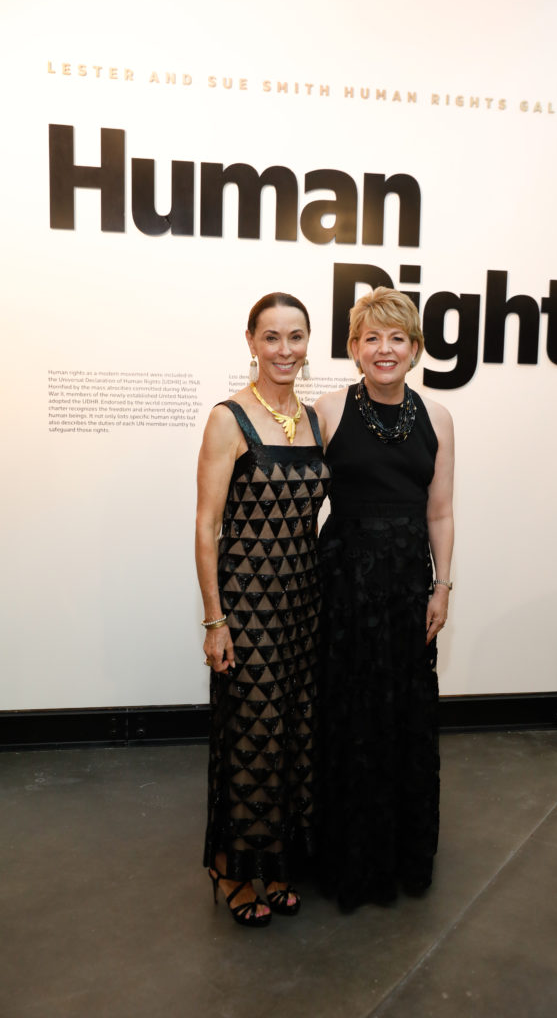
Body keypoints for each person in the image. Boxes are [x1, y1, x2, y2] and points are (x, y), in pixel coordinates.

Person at [314, 286, 455, 910]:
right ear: (353, 348)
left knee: (401, 712)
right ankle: (348, 854)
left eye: (397, 337)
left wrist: (442, 585)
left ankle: (399, 851)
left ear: (416, 348)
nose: (384, 349)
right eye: (371, 337)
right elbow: (298, 502)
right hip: (343, 583)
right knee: (346, 713)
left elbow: (442, 512)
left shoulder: (439, 417)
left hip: (405, 587)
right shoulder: (328, 410)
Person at [195, 292, 330, 927]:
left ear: (309, 343)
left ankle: (274, 859)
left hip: (303, 601)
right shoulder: (229, 418)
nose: (284, 350)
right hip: (247, 604)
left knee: (293, 735)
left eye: (295, 337)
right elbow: (207, 524)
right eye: (271, 337)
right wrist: (215, 619)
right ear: (250, 341)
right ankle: (230, 867)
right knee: (249, 735)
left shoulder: (315, 420)